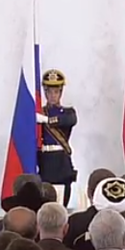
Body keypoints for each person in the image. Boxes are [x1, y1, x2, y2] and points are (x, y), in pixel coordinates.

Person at [37, 69, 78, 207]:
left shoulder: (67, 112)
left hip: (61, 160)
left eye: (56, 92)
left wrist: (46, 120)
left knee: (62, 202)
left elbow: (70, 120)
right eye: (49, 92)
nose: (52, 95)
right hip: (44, 160)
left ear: (61, 92)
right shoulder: (39, 112)